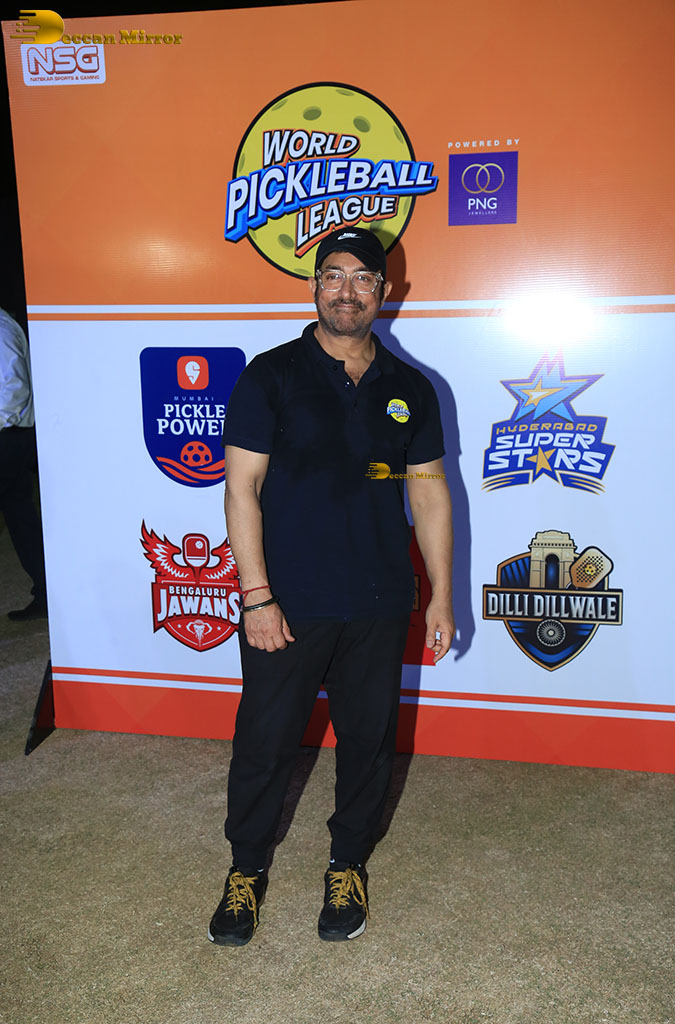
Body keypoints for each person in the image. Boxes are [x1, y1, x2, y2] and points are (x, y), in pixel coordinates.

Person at [209, 227, 454, 946]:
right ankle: (246, 868)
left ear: (385, 291)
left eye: (363, 278)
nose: (347, 290)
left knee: (369, 744)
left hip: (379, 600)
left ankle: (347, 863)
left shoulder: (412, 388)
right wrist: (256, 595)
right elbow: (241, 489)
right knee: (264, 743)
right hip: (287, 602)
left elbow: (429, 493)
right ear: (315, 286)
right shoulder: (270, 375)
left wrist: (441, 593)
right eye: (334, 275)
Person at [0, 308, 47, 620]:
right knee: (20, 516)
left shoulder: (1, 328)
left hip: (8, 435)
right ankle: (46, 592)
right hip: (13, 436)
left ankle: (46, 591)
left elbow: (13, 389)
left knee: (20, 515)